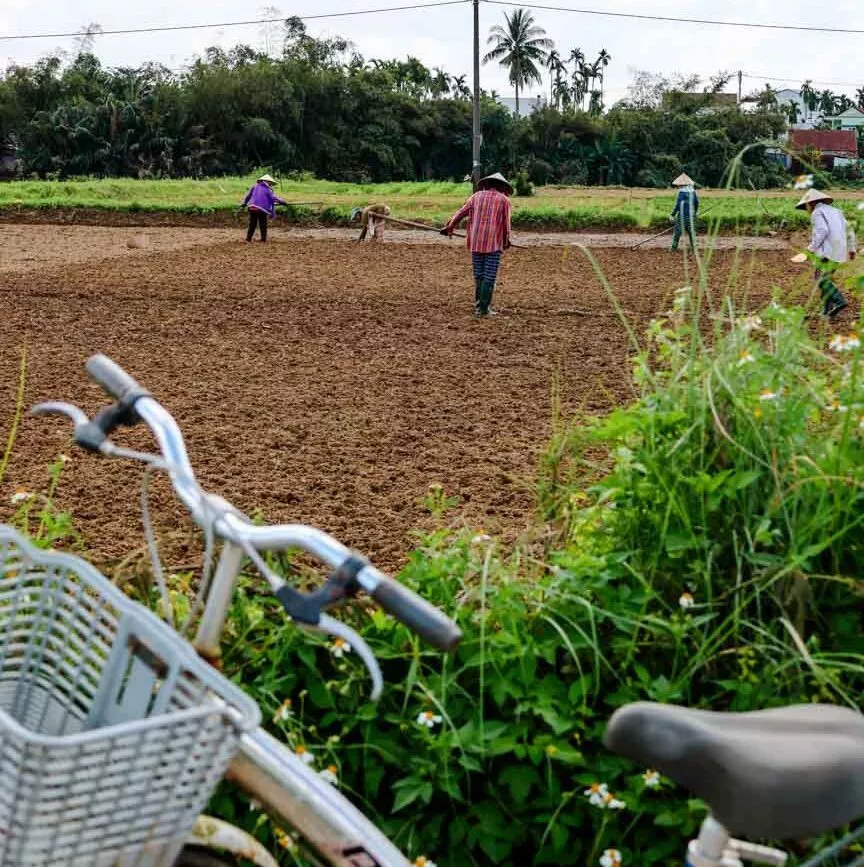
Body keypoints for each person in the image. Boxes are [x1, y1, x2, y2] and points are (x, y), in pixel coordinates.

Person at [442, 172, 513, 317]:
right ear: (502, 187)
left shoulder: (476, 197)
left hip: (475, 242)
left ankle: (478, 306)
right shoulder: (504, 200)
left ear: (486, 184)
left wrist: (449, 227)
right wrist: (506, 241)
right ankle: (484, 309)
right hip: (493, 244)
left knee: (479, 274)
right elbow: (506, 225)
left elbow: (460, 213)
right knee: (489, 276)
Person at [796, 188, 857, 317]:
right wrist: (852, 248)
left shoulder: (817, 212)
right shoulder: (836, 212)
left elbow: (822, 231)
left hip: (826, 251)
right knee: (826, 280)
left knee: (820, 280)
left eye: (806, 206)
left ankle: (839, 300)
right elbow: (850, 230)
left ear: (811, 203)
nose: (806, 209)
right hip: (839, 250)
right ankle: (827, 311)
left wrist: (810, 250)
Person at [241, 174, 288, 243]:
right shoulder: (267, 189)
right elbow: (273, 198)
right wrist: (283, 202)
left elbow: (248, 196)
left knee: (252, 224)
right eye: (270, 182)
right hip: (261, 209)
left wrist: (244, 203)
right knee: (263, 224)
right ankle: (263, 239)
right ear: (267, 181)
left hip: (252, 207)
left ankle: (248, 239)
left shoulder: (254, 186)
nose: (271, 184)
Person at [670, 173, 699, 252]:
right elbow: (696, 203)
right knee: (691, 233)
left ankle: (673, 248)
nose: (678, 186)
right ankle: (694, 249)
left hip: (682, 216)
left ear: (681, 185)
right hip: (691, 216)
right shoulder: (693, 192)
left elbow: (678, 205)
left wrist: (672, 214)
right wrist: (695, 212)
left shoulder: (681, 192)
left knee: (677, 233)